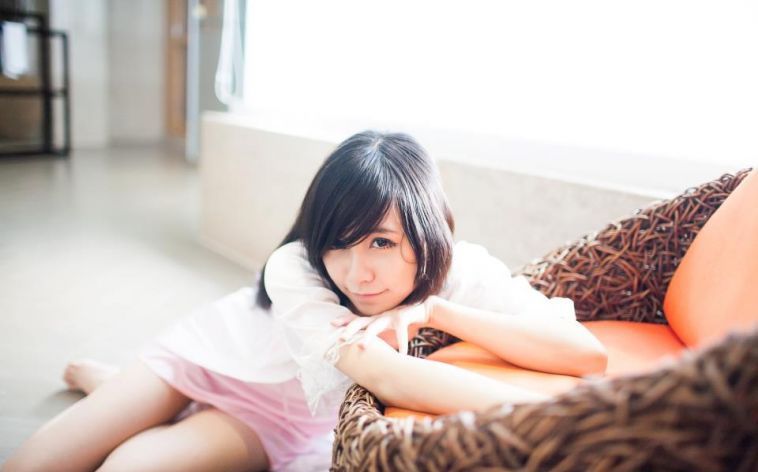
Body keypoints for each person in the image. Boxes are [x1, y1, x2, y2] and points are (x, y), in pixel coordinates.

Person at [3, 131, 608, 472]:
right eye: (338, 244)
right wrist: (558, 417)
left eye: (381, 242)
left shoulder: (460, 268)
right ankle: (127, 387)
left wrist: (436, 310)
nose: (357, 274)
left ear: (425, 231)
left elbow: (586, 355)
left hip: (277, 418)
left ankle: (124, 394)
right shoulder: (294, 264)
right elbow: (382, 373)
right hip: (211, 357)